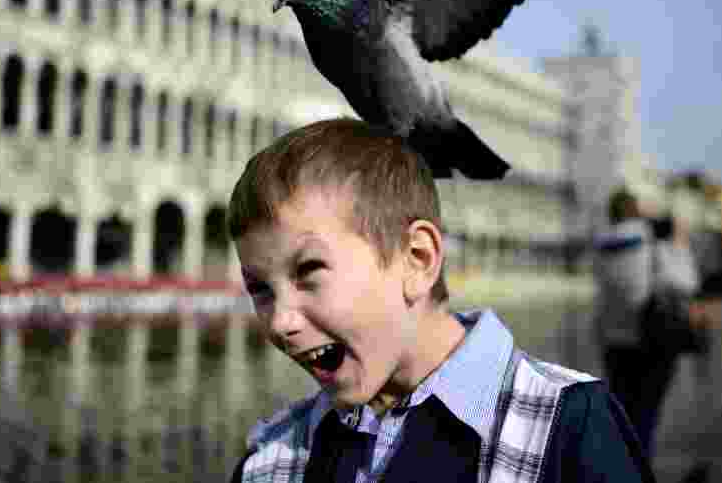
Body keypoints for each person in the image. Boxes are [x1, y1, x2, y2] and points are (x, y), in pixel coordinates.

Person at [228, 118, 655, 483]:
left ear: (417, 260)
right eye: (260, 289)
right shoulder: (272, 462)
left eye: (308, 272)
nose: (280, 322)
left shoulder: (567, 426)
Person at [593, 190, 702, 461]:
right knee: (646, 416)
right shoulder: (653, 244)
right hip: (652, 341)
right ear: (635, 211)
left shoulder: (601, 247)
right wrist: (679, 245)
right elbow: (688, 283)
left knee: (624, 417)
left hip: (614, 343)